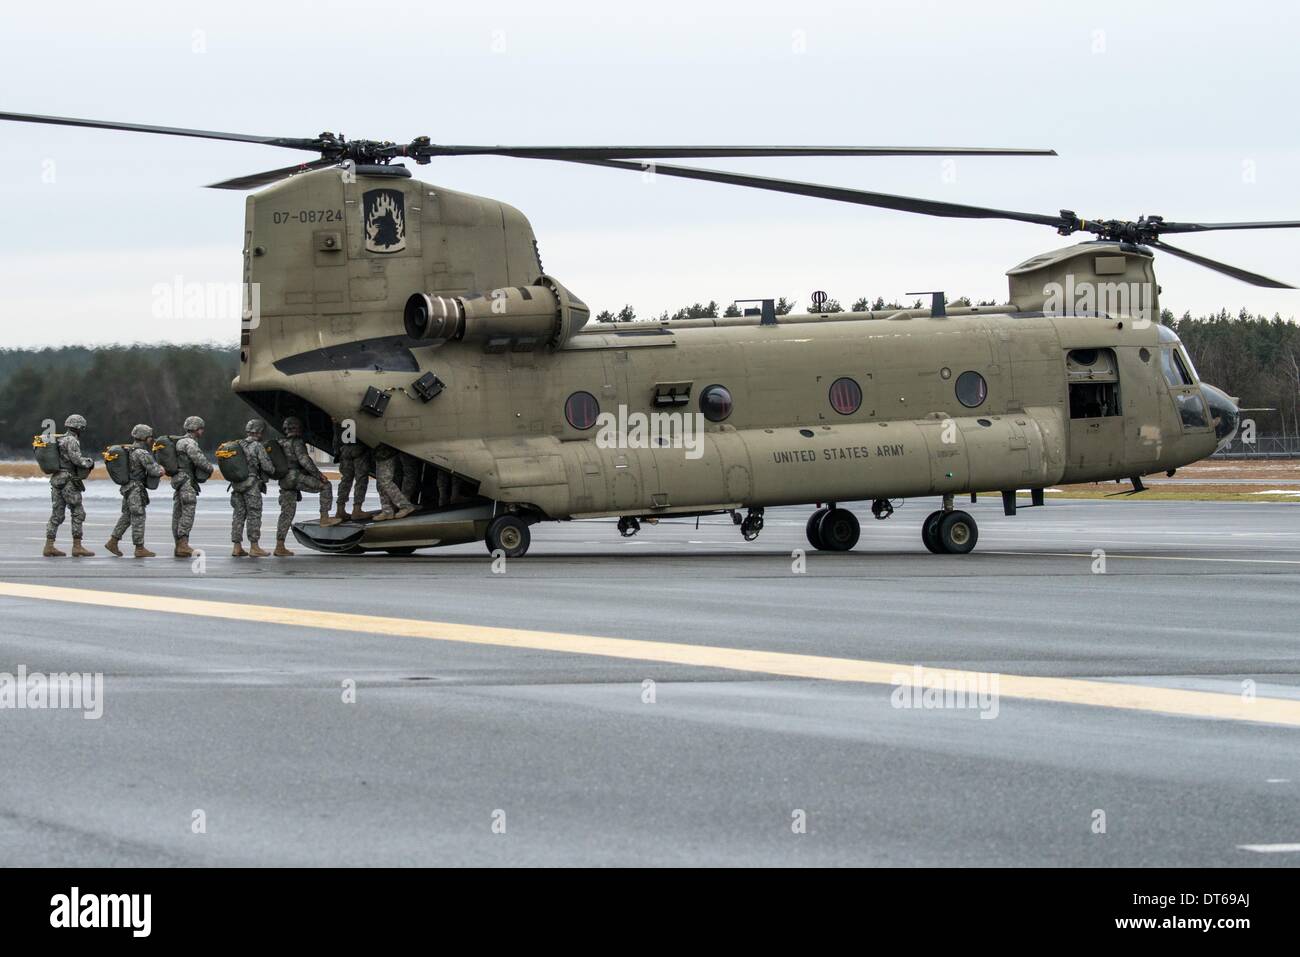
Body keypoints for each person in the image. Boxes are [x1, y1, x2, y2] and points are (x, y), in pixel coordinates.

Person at [274, 416, 340, 556]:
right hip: (295, 477)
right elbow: (304, 461)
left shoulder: (280, 442)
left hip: (285, 480)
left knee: (287, 514)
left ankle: (279, 546)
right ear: (298, 428)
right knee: (325, 486)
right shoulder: (297, 442)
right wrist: (318, 475)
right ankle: (324, 517)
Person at [105, 424, 165, 558]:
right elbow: (154, 470)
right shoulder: (141, 453)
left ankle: (113, 541)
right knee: (138, 516)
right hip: (136, 489)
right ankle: (139, 548)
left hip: (126, 487)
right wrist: (162, 469)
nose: (151, 440)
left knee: (127, 516)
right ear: (145, 438)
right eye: (150, 437)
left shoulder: (128, 450)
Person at [44, 413, 95, 557]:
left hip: (56, 479)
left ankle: (49, 545)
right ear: (78, 427)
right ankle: (77, 546)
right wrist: (89, 462)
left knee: (57, 515)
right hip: (68, 480)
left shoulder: (59, 439)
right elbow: (76, 460)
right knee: (78, 512)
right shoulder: (72, 440)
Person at [230, 418, 275, 557]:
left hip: (237, 486)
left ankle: (236, 547)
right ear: (260, 432)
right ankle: (254, 547)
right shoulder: (257, 446)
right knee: (254, 514)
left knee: (238, 515)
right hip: (251, 485)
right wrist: (274, 469)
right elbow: (268, 467)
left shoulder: (237, 444)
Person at [171, 415, 214, 558]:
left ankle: (178, 545)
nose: (202, 432)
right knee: (188, 510)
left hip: (178, 480)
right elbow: (198, 458)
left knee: (178, 512)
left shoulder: (179, 442)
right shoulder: (190, 443)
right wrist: (210, 468)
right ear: (196, 429)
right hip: (187, 481)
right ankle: (183, 544)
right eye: (201, 429)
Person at [333, 422, 375, 521]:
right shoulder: (356, 414)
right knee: (361, 480)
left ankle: (340, 510)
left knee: (345, 480)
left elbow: (336, 437)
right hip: (359, 448)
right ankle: (357, 510)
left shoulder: (339, 416)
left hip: (345, 449)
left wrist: (337, 452)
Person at [371, 444, 416, 522]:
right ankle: (387, 511)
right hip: (379, 451)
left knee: (385, 481)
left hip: (386, 450)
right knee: (380, 483)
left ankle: (405, 506)